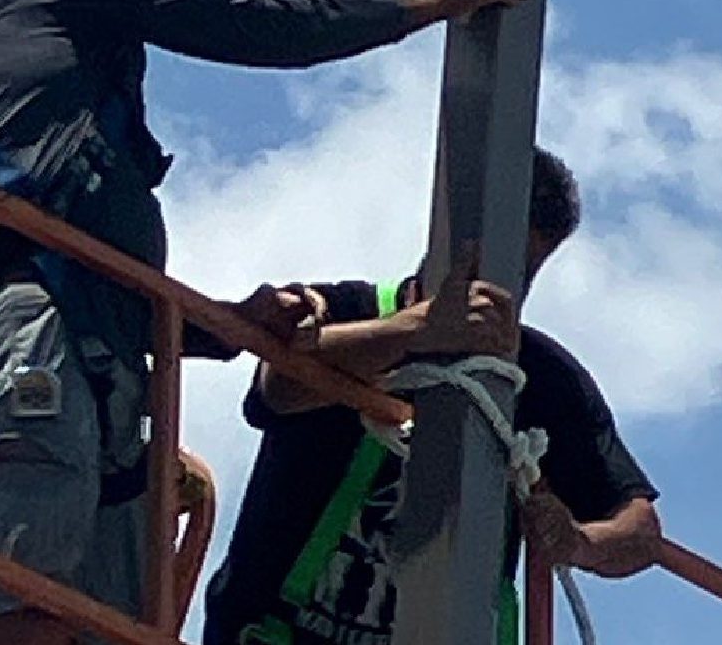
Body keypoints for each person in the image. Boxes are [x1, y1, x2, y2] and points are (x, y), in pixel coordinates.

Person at [0, 0, 532, 645]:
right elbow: (255, 21)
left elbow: (100, 269)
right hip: (39, 321)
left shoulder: (72, 61)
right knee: (32, 603)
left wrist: (224, 323)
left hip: (87, 337)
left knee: (104, 624)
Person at [204, 148, 663, 645]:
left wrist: (579, 543)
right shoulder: (343, 311)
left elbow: (640, 532)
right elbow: (279, 390)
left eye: (523, 274)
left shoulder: (542, 381)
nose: (507, 288)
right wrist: (416, 332)